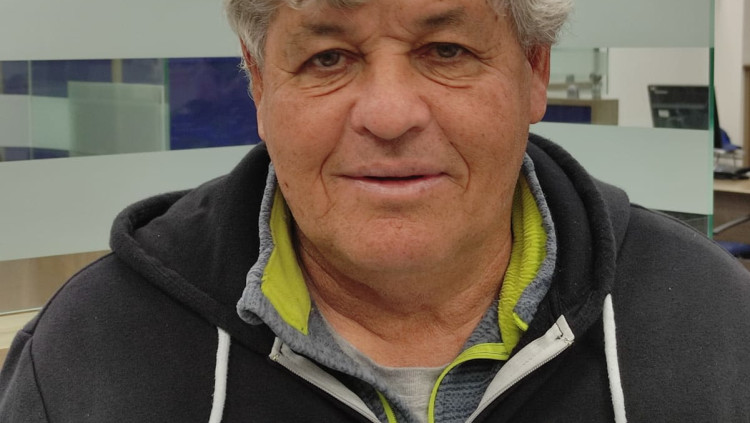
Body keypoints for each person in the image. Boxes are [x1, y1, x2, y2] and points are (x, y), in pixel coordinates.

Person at [2, 0, 750, 421]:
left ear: (534, 72)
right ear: (260, 86)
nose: (390, 115)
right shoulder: (94, 353)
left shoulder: (712, 325)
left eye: (446, 50)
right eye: (327, 58)